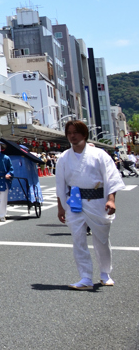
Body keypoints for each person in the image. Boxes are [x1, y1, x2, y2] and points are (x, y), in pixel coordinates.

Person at [56, 120, 125, 290]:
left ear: (84, 134)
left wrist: (111, 199)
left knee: (101, 239)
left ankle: (105, 273)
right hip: (74, 202)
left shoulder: (99, 154)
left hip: (97, 200)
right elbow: (60, 185)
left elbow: (111, 178)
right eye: (69, 132)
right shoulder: (64, 158)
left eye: (76, 132)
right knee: (78, 240)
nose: (72, 136)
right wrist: (60, 207)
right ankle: (85, 277)